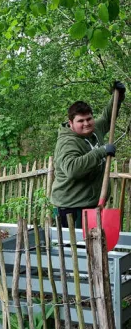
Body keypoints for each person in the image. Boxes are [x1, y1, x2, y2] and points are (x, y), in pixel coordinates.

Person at [50, 81, 126, 228]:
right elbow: (73, 170)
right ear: (71, 123)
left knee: (92, 247)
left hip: (90, 205)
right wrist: (101, 152)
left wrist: (118, 95)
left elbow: (108, 117)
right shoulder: (67, 143)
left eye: (89, 118)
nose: (86, 123)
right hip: (71, 208)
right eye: (80, 121)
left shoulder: (94, 130)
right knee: (74, 248)